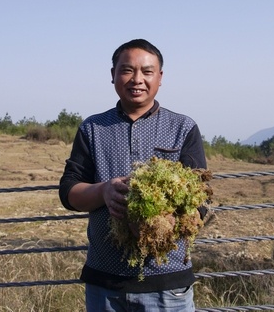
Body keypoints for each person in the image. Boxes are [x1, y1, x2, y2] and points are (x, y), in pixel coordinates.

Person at [59, 38, 207, 311]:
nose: (137, 79)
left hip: (167, 285)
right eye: (127, 70)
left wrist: (157, 224)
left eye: (147, 72)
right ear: (113, 74)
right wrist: (103, 190)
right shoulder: (93, 128)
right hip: (105, 284)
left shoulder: (183, 127)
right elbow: (69, 193)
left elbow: (199, 202)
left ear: (160, 78)